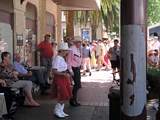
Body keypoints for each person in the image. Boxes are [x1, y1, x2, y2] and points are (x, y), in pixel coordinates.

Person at [52, 42, 72, 118]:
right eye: (66, 51)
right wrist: (64, 74)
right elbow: (54, 70)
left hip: (63, 78)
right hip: (60, 78)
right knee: (63, 95)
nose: (67, 52)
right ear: (62, 51)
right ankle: (57, 111)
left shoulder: (61, 58)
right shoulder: (57, 59)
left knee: (65, 95)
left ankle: (60, 110)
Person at [67, 36, 82, 106]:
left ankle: (73, 99)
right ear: (76, 43)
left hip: (77, 68)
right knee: (77, 85)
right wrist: (70, 70)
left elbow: (79, 58)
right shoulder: (71, 49)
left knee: (78, 85)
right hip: (73, 69)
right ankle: (73, 100)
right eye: (79, 42)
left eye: (80, 42)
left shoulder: (77, 49)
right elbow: (68, 61)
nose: (80, 43)